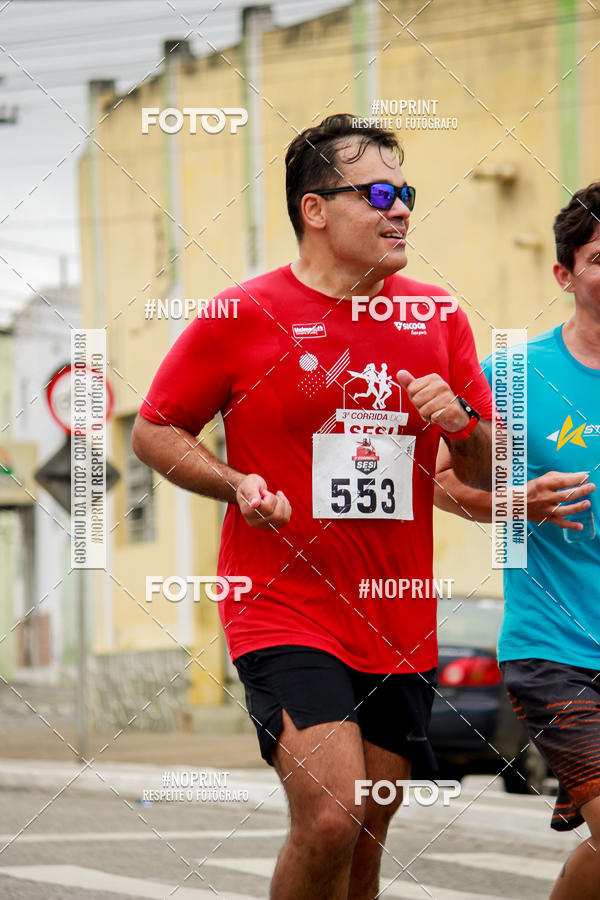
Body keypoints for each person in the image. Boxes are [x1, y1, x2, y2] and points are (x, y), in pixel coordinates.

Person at [133, 113, 493, 900]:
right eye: (378, 193)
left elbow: (484, 472)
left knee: (366, 842)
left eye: (406, 193)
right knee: (333, 813)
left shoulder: (436, 318)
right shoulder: (243, 315)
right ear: (316, 209)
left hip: (395, 613)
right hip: (282, 602)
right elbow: (155, 429)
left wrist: (461, 427)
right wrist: (234, 483)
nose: (400, 209)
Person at [434, 182, 600, 900]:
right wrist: (515, 501)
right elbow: (441, 481)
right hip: (555, 650)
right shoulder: (512, 376)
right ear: (564, 275)